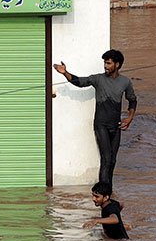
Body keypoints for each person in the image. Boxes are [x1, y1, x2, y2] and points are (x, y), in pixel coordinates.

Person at [54, 49, 138, 190]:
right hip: (101, 125)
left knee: (113, 160)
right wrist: (65, 73)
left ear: (117, 65)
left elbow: (133, 100)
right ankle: (103, 192)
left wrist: (129, 118)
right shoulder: (98, 79)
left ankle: (108, 191)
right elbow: (79, 82)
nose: (105, 66)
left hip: (116, 126)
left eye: (108, 63)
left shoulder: (125, 82)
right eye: (105, 63)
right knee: (106, 159)